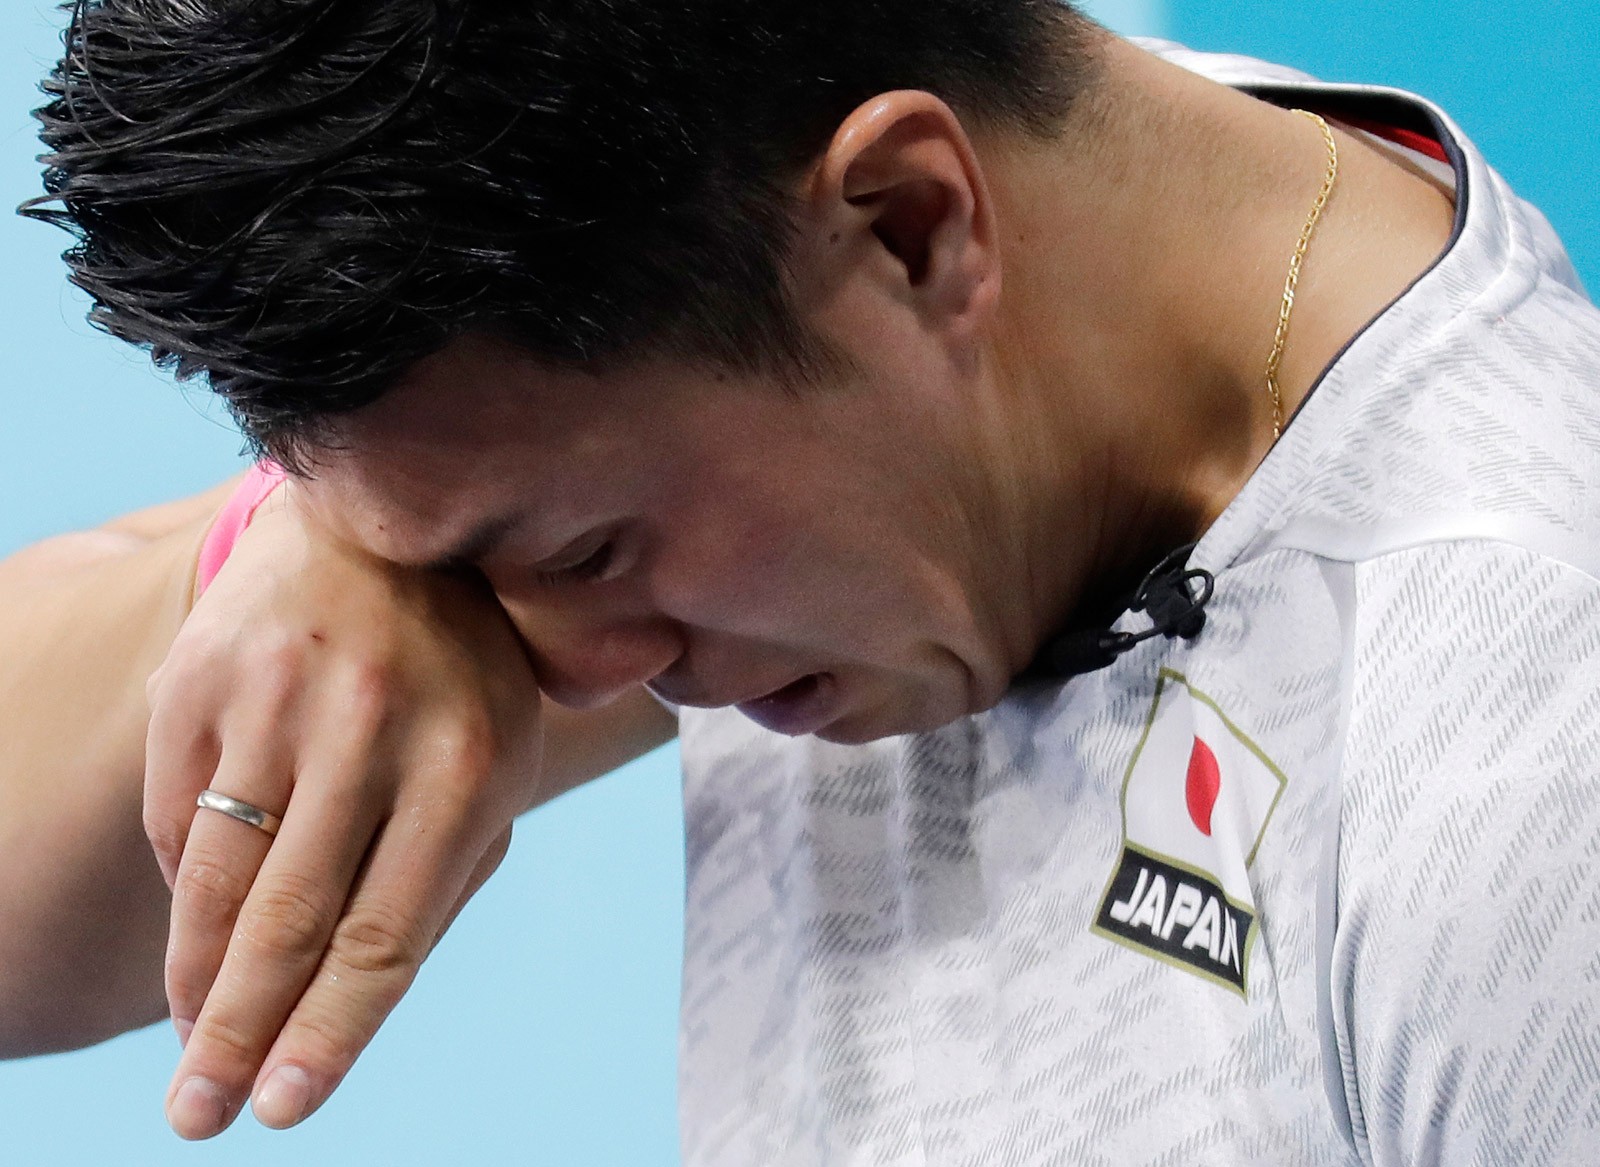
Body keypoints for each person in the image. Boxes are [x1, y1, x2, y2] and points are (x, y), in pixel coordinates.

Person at [3, 0, 1597, 1162]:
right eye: (458, 566)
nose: (567, 668)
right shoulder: (981, 205)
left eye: (584, 555)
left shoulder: (1526, 773)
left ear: (912, 228)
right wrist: (299, 548)